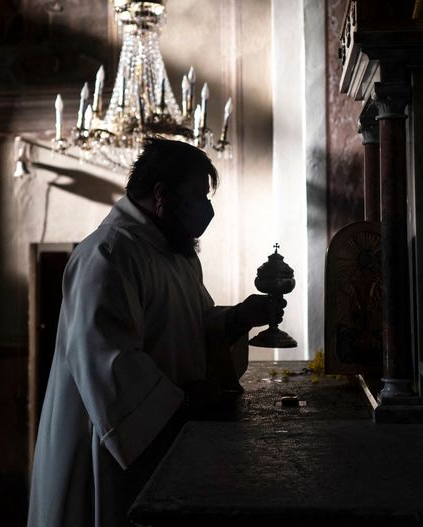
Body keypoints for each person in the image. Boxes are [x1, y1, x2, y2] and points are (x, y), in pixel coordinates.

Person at [27, 138, 283, 527]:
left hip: (170, 437)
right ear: (162, 195)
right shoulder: (108, 253)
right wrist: (183, 400)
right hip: (118, 449)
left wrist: (238, 318)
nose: (207, 210)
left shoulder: (176, 254)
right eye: (198, 197)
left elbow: (194, 326)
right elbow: (110, 363)